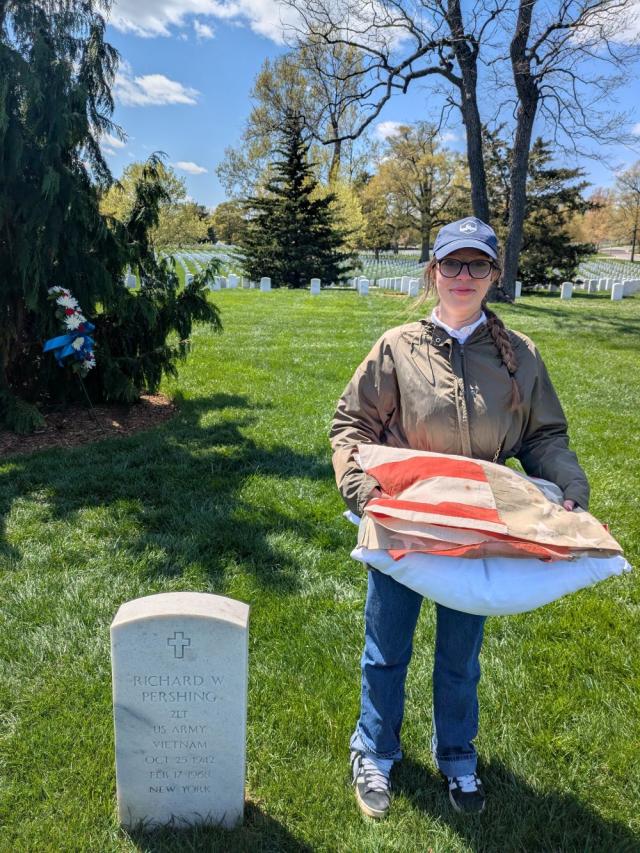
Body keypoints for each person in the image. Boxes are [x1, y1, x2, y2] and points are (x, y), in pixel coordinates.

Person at [329, 217, 589, 818]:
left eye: (477, 265)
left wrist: (569, 484)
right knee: (386, 645)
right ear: (434, 272)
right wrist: (363, 491)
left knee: (459, 653)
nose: (463, 276)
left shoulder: (520, 355)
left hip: (478, 527)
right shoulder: (397, 347)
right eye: (452, 264)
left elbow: (545, 434)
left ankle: (457, 756)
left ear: (495, 274)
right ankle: (374, 749)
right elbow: (351, 426)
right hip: (402, 521)